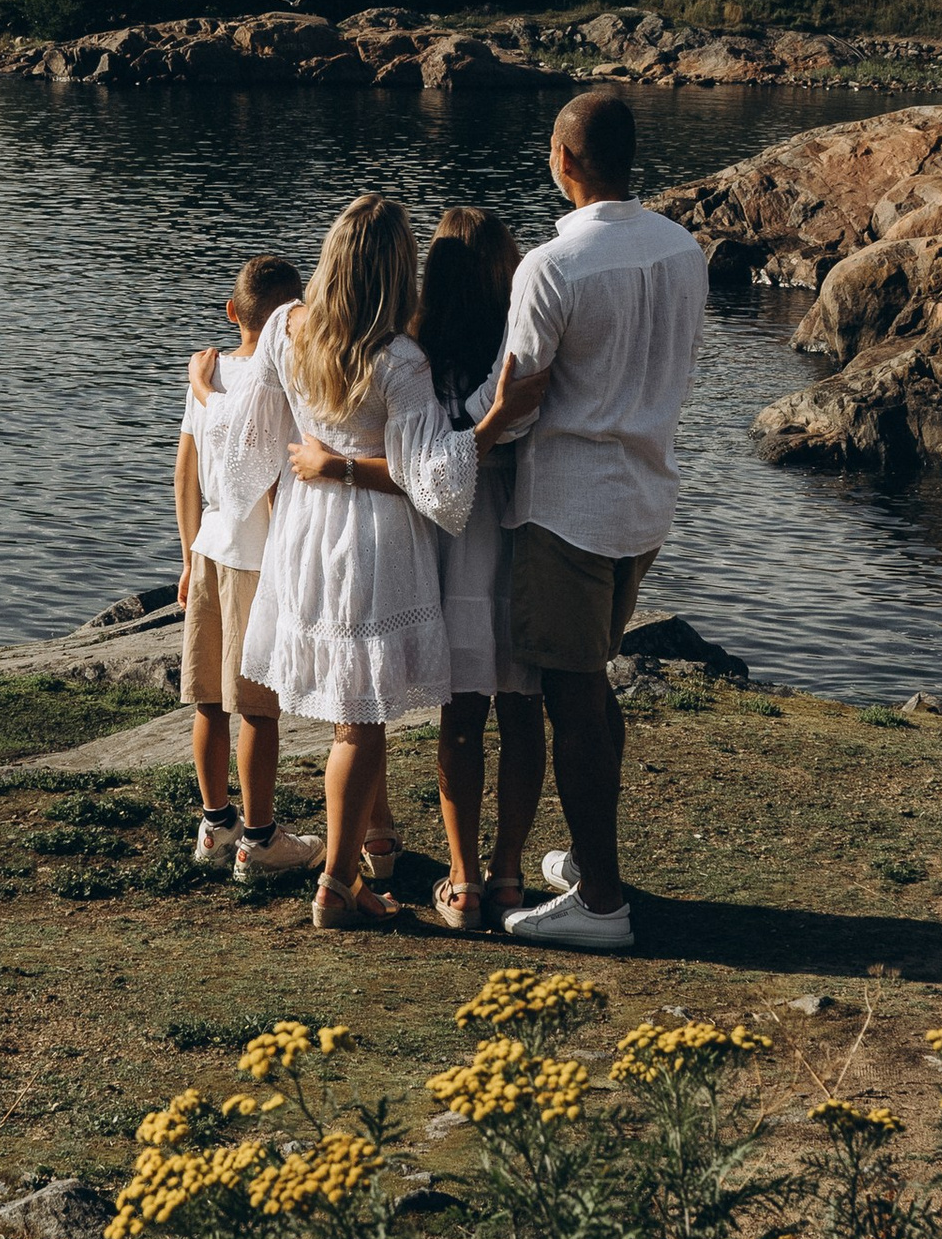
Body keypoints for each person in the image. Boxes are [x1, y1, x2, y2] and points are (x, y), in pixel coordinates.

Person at [206, 193, 545, 935]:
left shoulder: (286, 328)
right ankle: (334, 884)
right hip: (371, 541)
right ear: (397, 269)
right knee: (360, 722)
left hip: (304, 531)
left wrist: (210, 400)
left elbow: (251, 430)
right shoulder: (400, 360)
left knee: (346, 721)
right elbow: (434, 477)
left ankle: (356, 866)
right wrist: (489, 421)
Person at [494, 89, 708, 956]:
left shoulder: (551, 266)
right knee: (592, 684)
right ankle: (590, 863)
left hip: (568, 508)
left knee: (571, 696)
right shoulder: (683, 248)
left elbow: (515, 400)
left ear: (563, 158)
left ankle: (605, 902)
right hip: (646, 496)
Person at [414, 206, 547, 930]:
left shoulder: (419, 351)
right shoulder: (520, 343)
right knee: (522, 708)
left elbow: (431, 449)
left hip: (452, 542)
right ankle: (506, 875)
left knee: (461, 715)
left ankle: (463, 880)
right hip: (520, 530)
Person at [175, 251, 318, 883]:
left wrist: (186, 554)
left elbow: (184, 470)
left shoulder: (212, 376)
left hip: (208, 547)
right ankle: (259, 841)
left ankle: (215, 823)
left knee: (209, 699)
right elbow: (273, 485)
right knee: (258, 706)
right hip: (257, 561)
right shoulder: (282, 381)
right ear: (296, 314)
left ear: (233, 312)